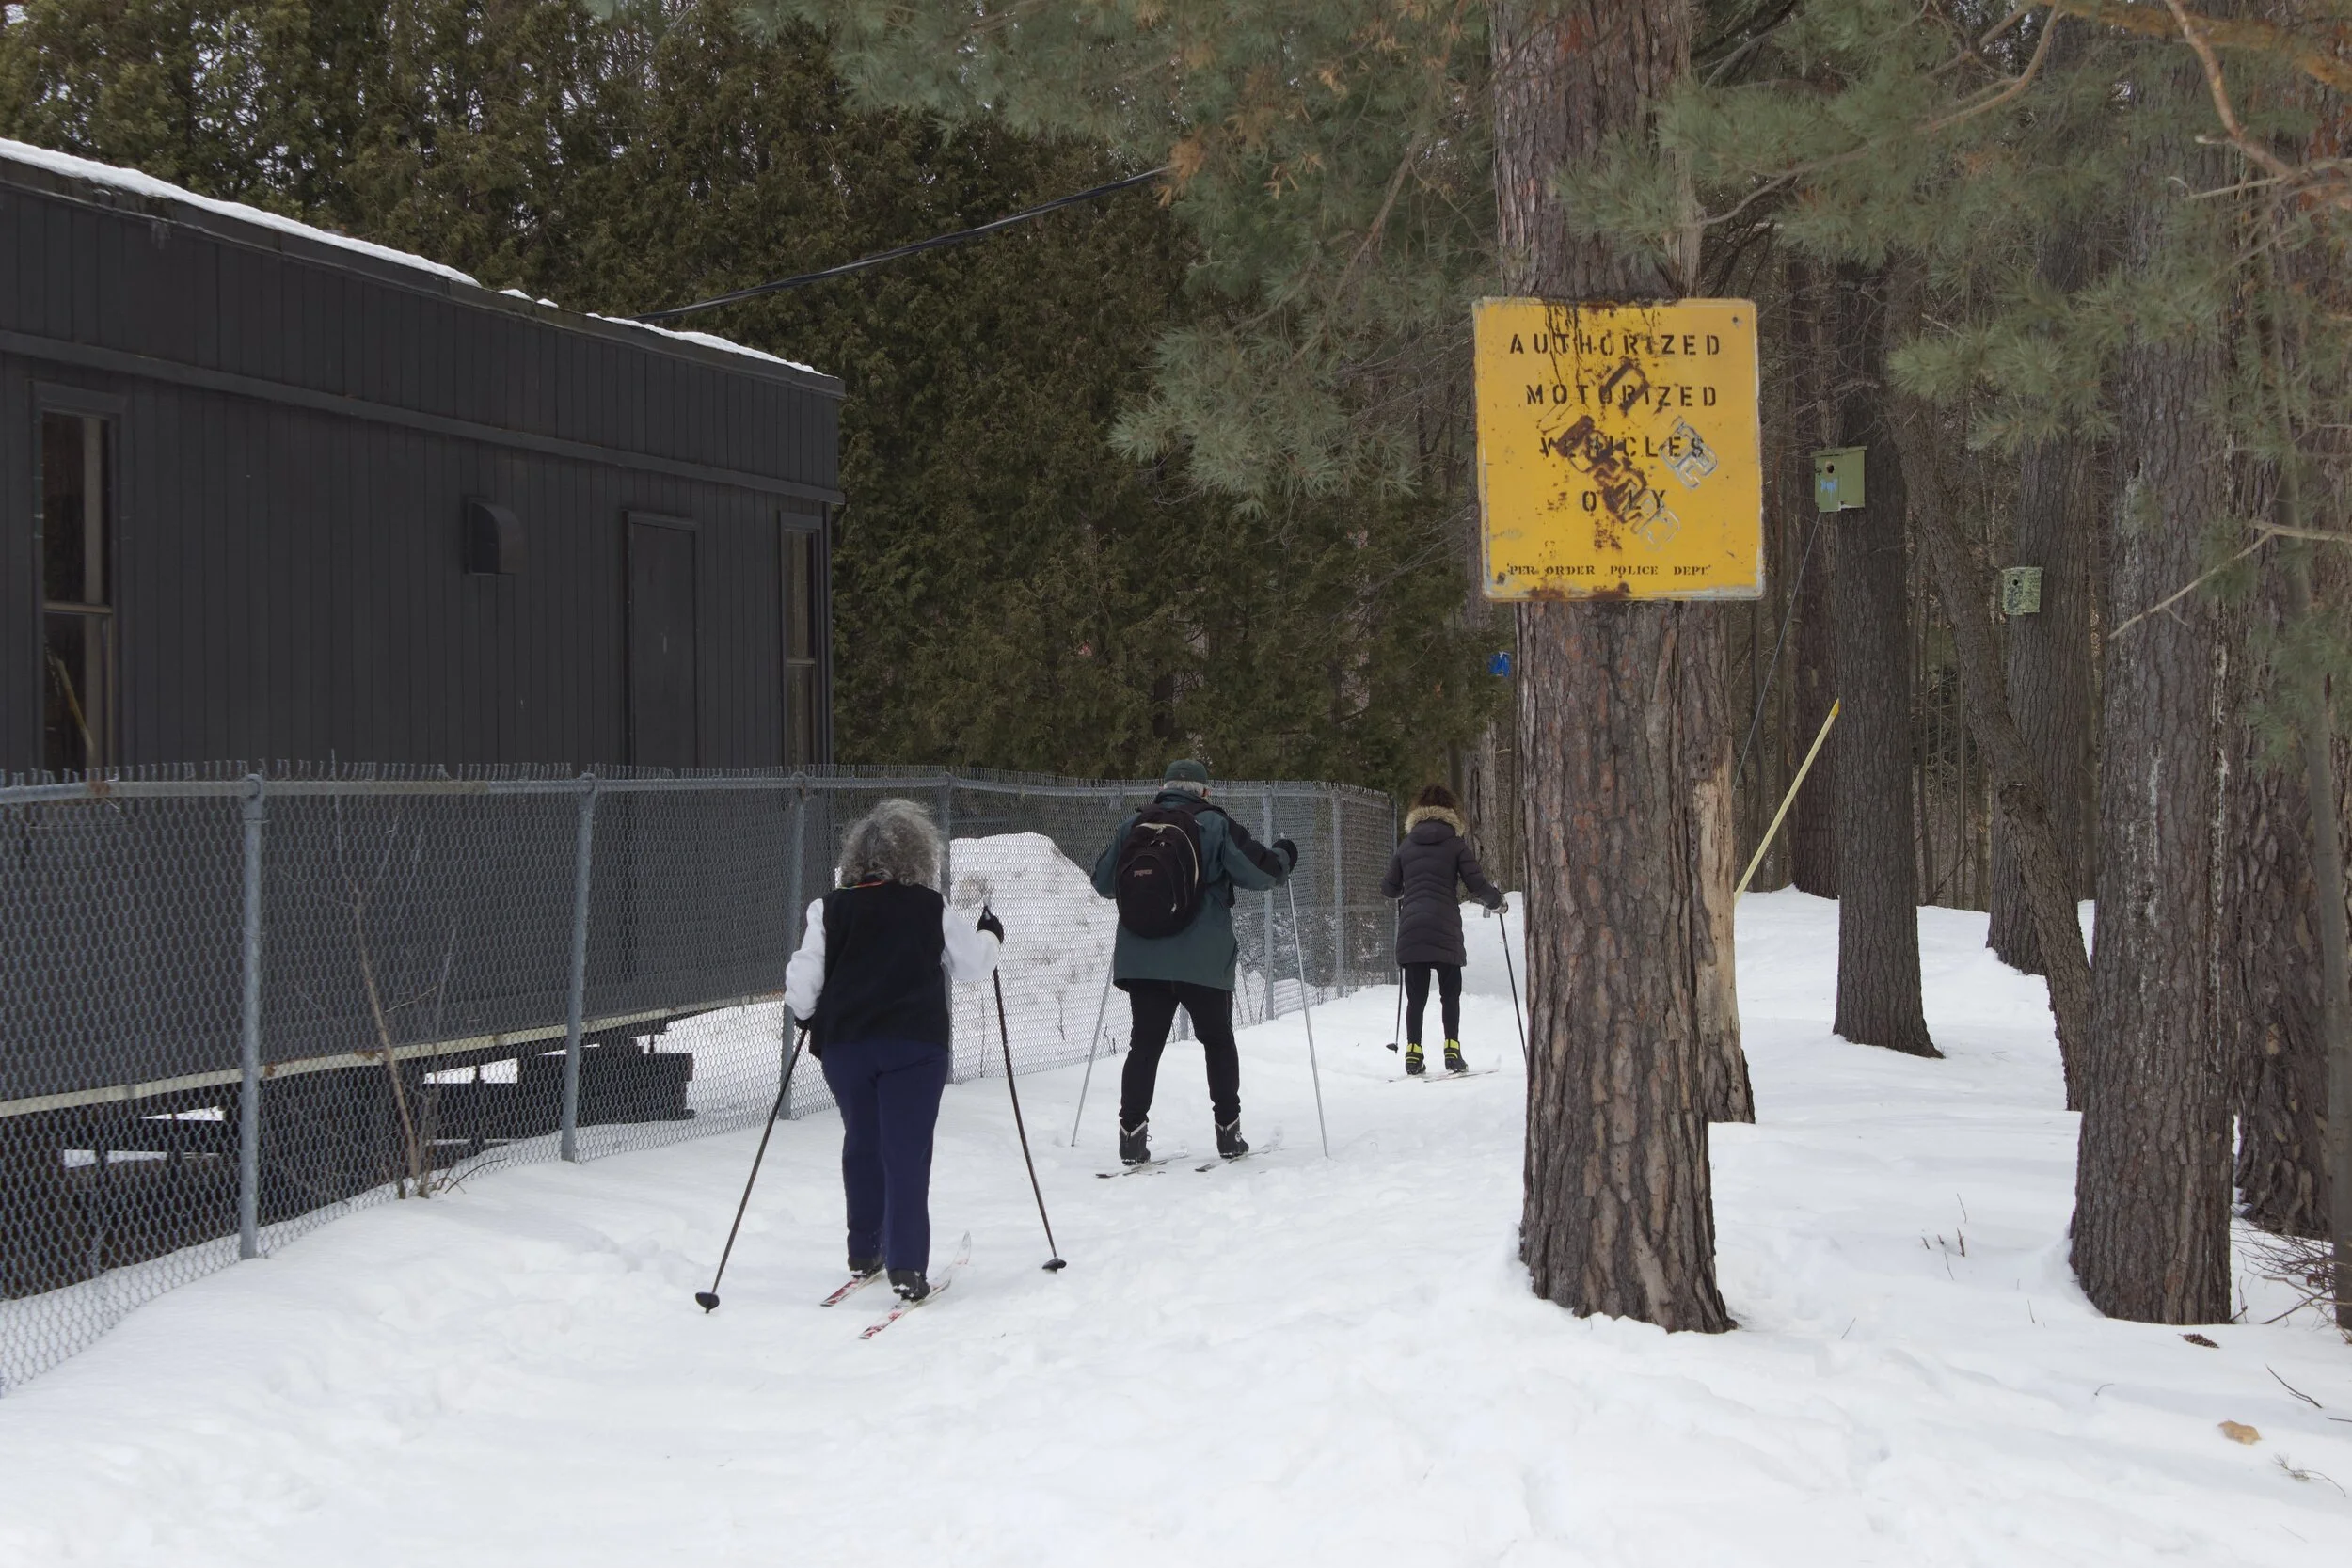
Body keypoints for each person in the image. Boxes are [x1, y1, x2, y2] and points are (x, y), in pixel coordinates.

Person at [785, 798, 1001, 1302]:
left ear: (855, 858)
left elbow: (803, 984)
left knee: (862, 1139)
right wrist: (990, 934)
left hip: (847, 1047)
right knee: (906, 1149)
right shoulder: (930, 908)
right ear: (919, 855)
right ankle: (907, 1265)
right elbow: (970, 966)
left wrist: (808, 1013)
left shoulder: (828, 909)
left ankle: (865, 1248)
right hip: (914, 1044)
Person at [1091, 759, 1296, 1164]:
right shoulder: (1215, 825)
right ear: (1203, 791)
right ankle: (1228, 1134)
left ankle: (1131, 1136)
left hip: (1142, 959)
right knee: (1217, 1042)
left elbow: (1102, 881)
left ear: (1165, 787)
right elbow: (1262, 873)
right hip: (1202, 960)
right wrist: (1285, 855)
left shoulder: (1134, 825)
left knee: (1144, 1046)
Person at [1379, 783, 1504, 1075]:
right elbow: (1477, 886)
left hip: (1412, 928)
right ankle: (1452, 1049)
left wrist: (1403, 892)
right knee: (1450, 992)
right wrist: (1498, 903)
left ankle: (1413, 1051)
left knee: (1416, 995)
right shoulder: (1456, 845)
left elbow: (1388, 888)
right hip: (1445, 925)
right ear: (1450, 811)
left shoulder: (1406, 846)